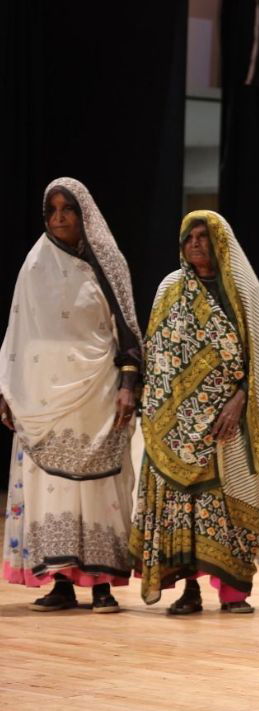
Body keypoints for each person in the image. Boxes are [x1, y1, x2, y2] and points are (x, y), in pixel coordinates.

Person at [130, 211, 259, 614]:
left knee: (231, 502)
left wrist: (239, 400)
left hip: (230, 425)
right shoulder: (171, 288)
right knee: (183, 508)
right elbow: (160, 356)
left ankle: (235, 593)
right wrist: (170, 417)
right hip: (177, 427)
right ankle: (189, 591)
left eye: (204, 236)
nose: (196, 243)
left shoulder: (242, 291)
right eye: (189, 238)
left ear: (221, 241)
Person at [1, 178, 142, 613]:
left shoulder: (108, 263)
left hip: (98, 394)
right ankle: (60, 581)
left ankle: (101, 583)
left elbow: (128, 332)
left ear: (85, 216)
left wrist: (127, 385)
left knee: (101, 490)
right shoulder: (35, 264)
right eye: (52, 211)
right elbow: (18, 332)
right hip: (43, 397)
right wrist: (8, 389)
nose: (59, 218)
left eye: (68, 210)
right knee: (52, 488)